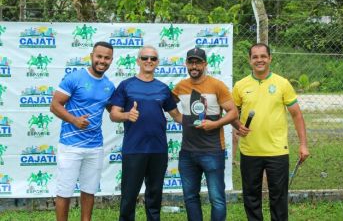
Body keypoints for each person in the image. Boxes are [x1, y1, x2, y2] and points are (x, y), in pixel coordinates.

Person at [232, 43, 310, 221]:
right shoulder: (240, 85)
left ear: (270, 58)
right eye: (255, 57)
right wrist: (238, 125)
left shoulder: (282, 83)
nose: (259, 60)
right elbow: (232, 115)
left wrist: (303, 145)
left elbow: (297, 115)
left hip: (277, 151)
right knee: (251, 198)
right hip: (249, 151)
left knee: (279, 198)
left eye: (263, 56)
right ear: (249, 60)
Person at [109, 45, 182, 221]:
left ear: (157, 63)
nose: (149, 61)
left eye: (153, 58)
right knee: (129, 196)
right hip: (134, 149)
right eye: (145, 58)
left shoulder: (163, 88)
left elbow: (177, 116)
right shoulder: (126, 85)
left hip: (158, 150)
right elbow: (113, 114)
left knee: (155, 195)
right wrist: (127, 114)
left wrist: (200, 118)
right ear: (138, 61)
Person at [50, 41, 115, 221]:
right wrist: (74, 120)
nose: (102, 61)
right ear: (92, 56)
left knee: (89, 190)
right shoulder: (75, 78)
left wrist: (130, 112)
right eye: (99, 56)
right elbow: (55, 105)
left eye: (107, 58)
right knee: (64, 191)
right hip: (70, 146)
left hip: (95, 146)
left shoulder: (109, 86)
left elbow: (114, 112)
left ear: (111, 60)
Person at [172, 47, 238, 221]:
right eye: (191, 62)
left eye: (198, 62)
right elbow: (168, 104)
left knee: (217, 199)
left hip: (212, 150)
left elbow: (233, 113)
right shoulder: (181, 86)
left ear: (205, 64)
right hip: (187, 152)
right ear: (186, 64)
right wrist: (179, 118)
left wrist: (215, 124)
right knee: (190, 197)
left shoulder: (217, 85)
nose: (194, 66)